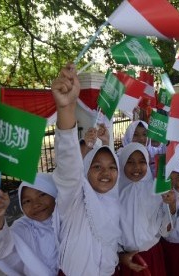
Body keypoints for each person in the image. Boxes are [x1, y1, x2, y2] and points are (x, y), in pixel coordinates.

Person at [51, 63, 121, 275]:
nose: (105, 173)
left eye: (111, 167)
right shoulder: (73, 197)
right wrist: (66, 109)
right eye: (96, 166)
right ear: (86, 171)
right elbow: (68, 163)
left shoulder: (114, 198)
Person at [0, 173, 58, 276]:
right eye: (27, 201)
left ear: (54, 191)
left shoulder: (72, 218)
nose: (36, 204)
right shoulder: (23, 227)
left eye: (42, 194)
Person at [118, 142, 173, 276]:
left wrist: (170, 204)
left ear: (148, 164)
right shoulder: (115, 194)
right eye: (130, 162)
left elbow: (165, 230)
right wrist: (120, 255)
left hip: (151, 256)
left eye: (142, 162)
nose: (136, 167)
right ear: (122, 163)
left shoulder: (156, 191)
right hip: (125, 259)